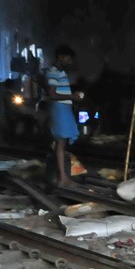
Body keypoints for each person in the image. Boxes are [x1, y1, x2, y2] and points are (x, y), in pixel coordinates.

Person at [46, 46, 81, 187]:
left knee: (62, 143)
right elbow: (52, 94)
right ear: (60, 57)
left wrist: (71, 96)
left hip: (63, 108)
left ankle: (62, 177)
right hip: (60, 108)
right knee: (60, 143)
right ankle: (62, 178)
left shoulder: (60, 72)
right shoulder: (53, 72)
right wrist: (71, 96)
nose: (69, 61)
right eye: (68, 58)